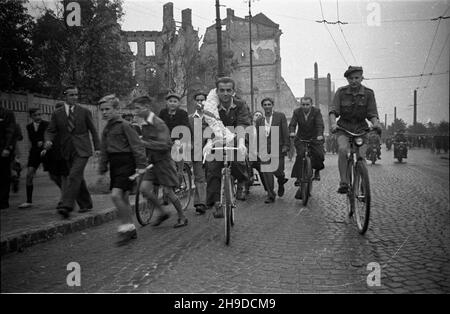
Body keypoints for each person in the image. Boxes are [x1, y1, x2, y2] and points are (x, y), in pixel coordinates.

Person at [130, 96, 188, 228]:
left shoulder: (158, 123)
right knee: (144, 189)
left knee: (168, 192)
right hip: (151, 162)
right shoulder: (143, 122)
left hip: (163, 162)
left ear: (146, 108)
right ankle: (162, 212)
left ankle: (182, 217)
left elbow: (165, 145)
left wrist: (142, 142)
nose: (135, 111)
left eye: (138, 108)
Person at [98, 95, 147, 245]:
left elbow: (137, 146)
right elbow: (105, 150)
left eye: (108, 109)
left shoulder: (125, 125)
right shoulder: (107, 128)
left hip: (127, 163)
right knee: (123, 197)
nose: (105, 112)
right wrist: (102, 168)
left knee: (116, 195)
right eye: (102, 110)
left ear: (117, 109)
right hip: (115, 164)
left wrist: (140, 167)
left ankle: (125, 228)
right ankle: (131, 228)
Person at [44, 86, 101, 218]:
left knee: (74, 175)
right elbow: (50, 130)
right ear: (65, 96)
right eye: (71, 95)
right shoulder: (57, 113)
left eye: (76, 95)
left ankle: (66, 205)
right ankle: (86, 203)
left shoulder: (84, 111)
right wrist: (48, 140)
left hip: (83, 149)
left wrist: (97, 148)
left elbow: (93, 130)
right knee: (77, 177)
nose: (75, 97)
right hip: (67, 150)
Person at [202, 77, 251, 217]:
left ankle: (242, 181)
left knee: (238, 159)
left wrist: (241, 143)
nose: (225, 93)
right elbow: (207, 125)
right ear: (217, 91)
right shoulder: (211, 106)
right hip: (217, 138)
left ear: (233, 91)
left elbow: (243, 123)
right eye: (222, 90)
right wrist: (209, 142)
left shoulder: (240, 105)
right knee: (212, 168)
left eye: (228, 90)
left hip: (236, 136)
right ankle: (216, 203)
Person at [329, 66, 382, 194]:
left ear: (361, 78)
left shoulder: (368, 93)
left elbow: (372, 113)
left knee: (361, 156)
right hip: (343, 128)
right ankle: (344, 182)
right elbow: (333, 111)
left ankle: (363, 183)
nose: (354, 81)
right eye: (351, 78)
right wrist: (333, 124)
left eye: (357, 78)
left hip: (361, 129)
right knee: (342, 150)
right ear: (347, 79)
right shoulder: (341, 92)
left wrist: (376, 123)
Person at [255, 97, 289, 203]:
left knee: (278, 170)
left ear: (272, 105)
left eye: (269, 104)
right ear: (262, 107)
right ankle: (270, 194)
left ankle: (281, 181)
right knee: (266, 171)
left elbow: (285, 131)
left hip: (278, 147)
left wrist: (286, 145)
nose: (267, 107)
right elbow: (258, 136)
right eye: (265, 105)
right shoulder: (259, 120)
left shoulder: (280, 116)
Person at [289, 96, 325, 192]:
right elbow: (292, 123)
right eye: (303, 104)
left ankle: (317, 170)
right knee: (300, 154)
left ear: (311, 104)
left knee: (319, 154)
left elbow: (319, 124)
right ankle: (298, 176)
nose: (305, 107)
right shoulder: (297, 112)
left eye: (307, 104)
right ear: (301, 105)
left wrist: (320, 135)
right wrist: (292, 132)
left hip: (315, 137)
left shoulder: (316, 112)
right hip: (301, 137)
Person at [18, 108, 49, 208]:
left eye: (40, 114)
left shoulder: (47, 124)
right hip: (34, 153)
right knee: (29, 175)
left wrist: (43, 142)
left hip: (46, 151)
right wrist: (37, 143)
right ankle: (29, 201)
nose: (38, 117)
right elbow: (32, 139)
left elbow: (50, 136)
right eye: (35, 115)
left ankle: (65, 198)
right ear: (31, 116)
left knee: (55, 175)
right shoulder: (29, 126)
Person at [159, 92, 190, 186]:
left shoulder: (182, 113)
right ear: (167, 103)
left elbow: (185, 127)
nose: (172, 103)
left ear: (178, 103)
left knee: (178, 157)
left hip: (179, 141)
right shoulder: (163, 112)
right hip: (166, 141)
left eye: (175, 101)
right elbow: (159, 126)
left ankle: (180, 174)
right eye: (170, 101)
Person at [188, 91, 209, 215]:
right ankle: (201, 203)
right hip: (196, 151)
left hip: (210, 151)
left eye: (202, 100)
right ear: (194, 102)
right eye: (198, 100)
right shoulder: (190, 118)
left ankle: (207, 200)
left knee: (210, 177)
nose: (200, 102)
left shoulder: (210, 117)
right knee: (199, 178)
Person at [1, 106, 16, 209]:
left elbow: (10, 132)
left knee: (3, 175)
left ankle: (3, 201)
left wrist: (7, 148)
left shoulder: (7, 113)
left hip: (2, 150)